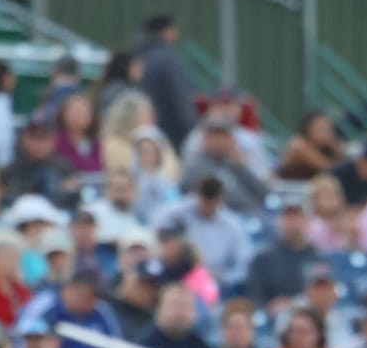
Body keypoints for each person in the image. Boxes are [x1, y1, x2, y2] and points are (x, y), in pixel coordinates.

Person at [151, 177, 255, 288]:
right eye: (203, 201)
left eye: (210, 203)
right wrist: (189, 201)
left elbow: (245, 261)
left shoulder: (231, 224)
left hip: (216, 279)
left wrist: (224, 276)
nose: (206, 207)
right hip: (181, 272)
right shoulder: (182, 211)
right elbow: (156, 221)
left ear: (219, 201)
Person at [135, 14, 200, 149]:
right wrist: (194, 133)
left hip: (139, 131)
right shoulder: (168, 60)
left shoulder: (135, 55)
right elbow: (181, 101)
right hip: (169, 135)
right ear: (166, 31)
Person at [246, 201, 323, 314]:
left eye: (297, 217)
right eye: (288, 218)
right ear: (280, 222)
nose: (292, 223)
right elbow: (254, 298)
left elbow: (325, 294)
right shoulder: (264, 260)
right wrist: (269, 307)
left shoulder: (317, 258)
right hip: (275, 320)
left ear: (307, 222)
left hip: (312, 318)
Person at [180, 119, 271, 214]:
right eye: (213, 136)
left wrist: (240, 167)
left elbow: (264, 193)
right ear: (204, 139)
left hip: (255, 215)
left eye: (223, 136)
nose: (218, 141)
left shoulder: (234, 163)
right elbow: (226, 201)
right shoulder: (196, 166)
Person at [2, 122, 78, 208]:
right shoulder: (12, 170)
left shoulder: (63, 168)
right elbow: (7, 200)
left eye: (43, 138)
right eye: (34, 138)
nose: (38, 144)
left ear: (53, 141)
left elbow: (73, 198)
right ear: (24, 139)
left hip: (56, 215)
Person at [85, 169, 146, 245]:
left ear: (134, 192)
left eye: (125, 189)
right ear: (107, 190)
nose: (121, 194)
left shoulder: (137, 220)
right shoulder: (91, 212)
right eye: (118, 189)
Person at [278, 110, 344, 180]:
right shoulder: (299, 145)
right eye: (321, 129)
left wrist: (337, 150)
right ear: (308, 129)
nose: (327, 133)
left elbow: (342, 167)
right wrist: (333, 146)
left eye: (329, 129)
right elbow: (328, 168)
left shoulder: (323, 147)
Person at [305, 174, 354, 253]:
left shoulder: (348, 222)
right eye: (321, 197)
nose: (325, 202)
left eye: (330, 196)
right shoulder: (311, 225)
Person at [32, 55, 84, 128]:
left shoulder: (54, 94)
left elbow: (37, 121)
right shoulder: (81, 98)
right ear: (78, 74)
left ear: (55, 70)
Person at [93, 49, 142, 117]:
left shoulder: (112, 87)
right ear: (126, 68)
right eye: (136, 66)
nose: (140, 70)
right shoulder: (120, 91)